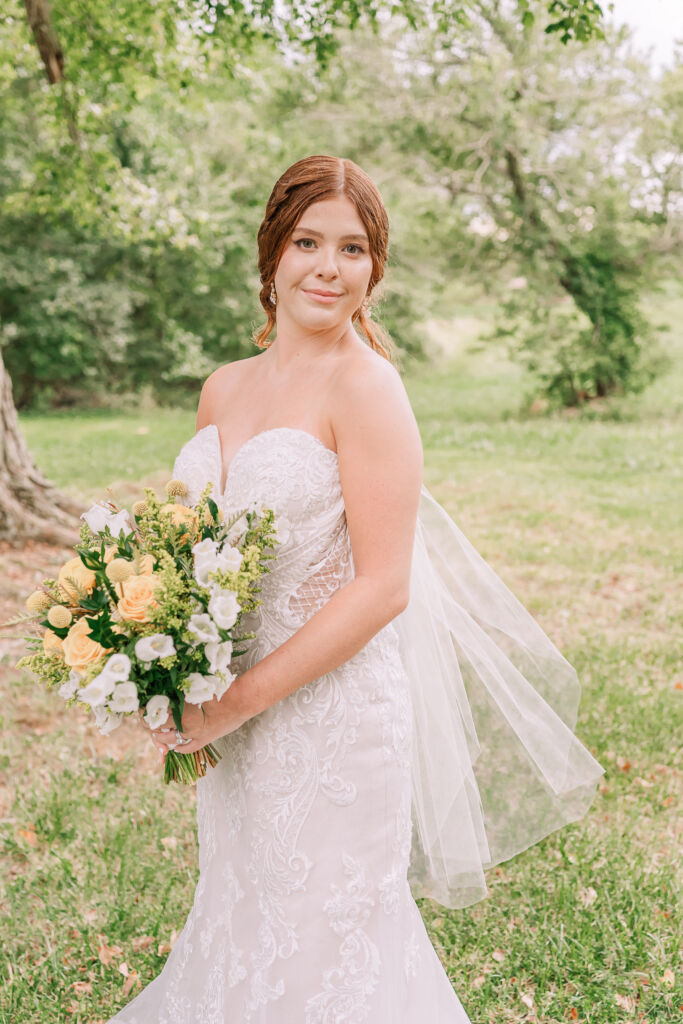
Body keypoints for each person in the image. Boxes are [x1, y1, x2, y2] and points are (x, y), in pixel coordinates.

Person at [109, 154, 604, 1023]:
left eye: (353, 247)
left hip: (332, 725)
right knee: (241, 918)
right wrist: (160, 668)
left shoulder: (368, 389)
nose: (327, 268)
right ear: (270, 253)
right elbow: (192, 553)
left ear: (374, 268)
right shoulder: (222, 387)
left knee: (326, 945)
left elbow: (382, 587)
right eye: (307, 241)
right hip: (235, 720)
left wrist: (234, 704)